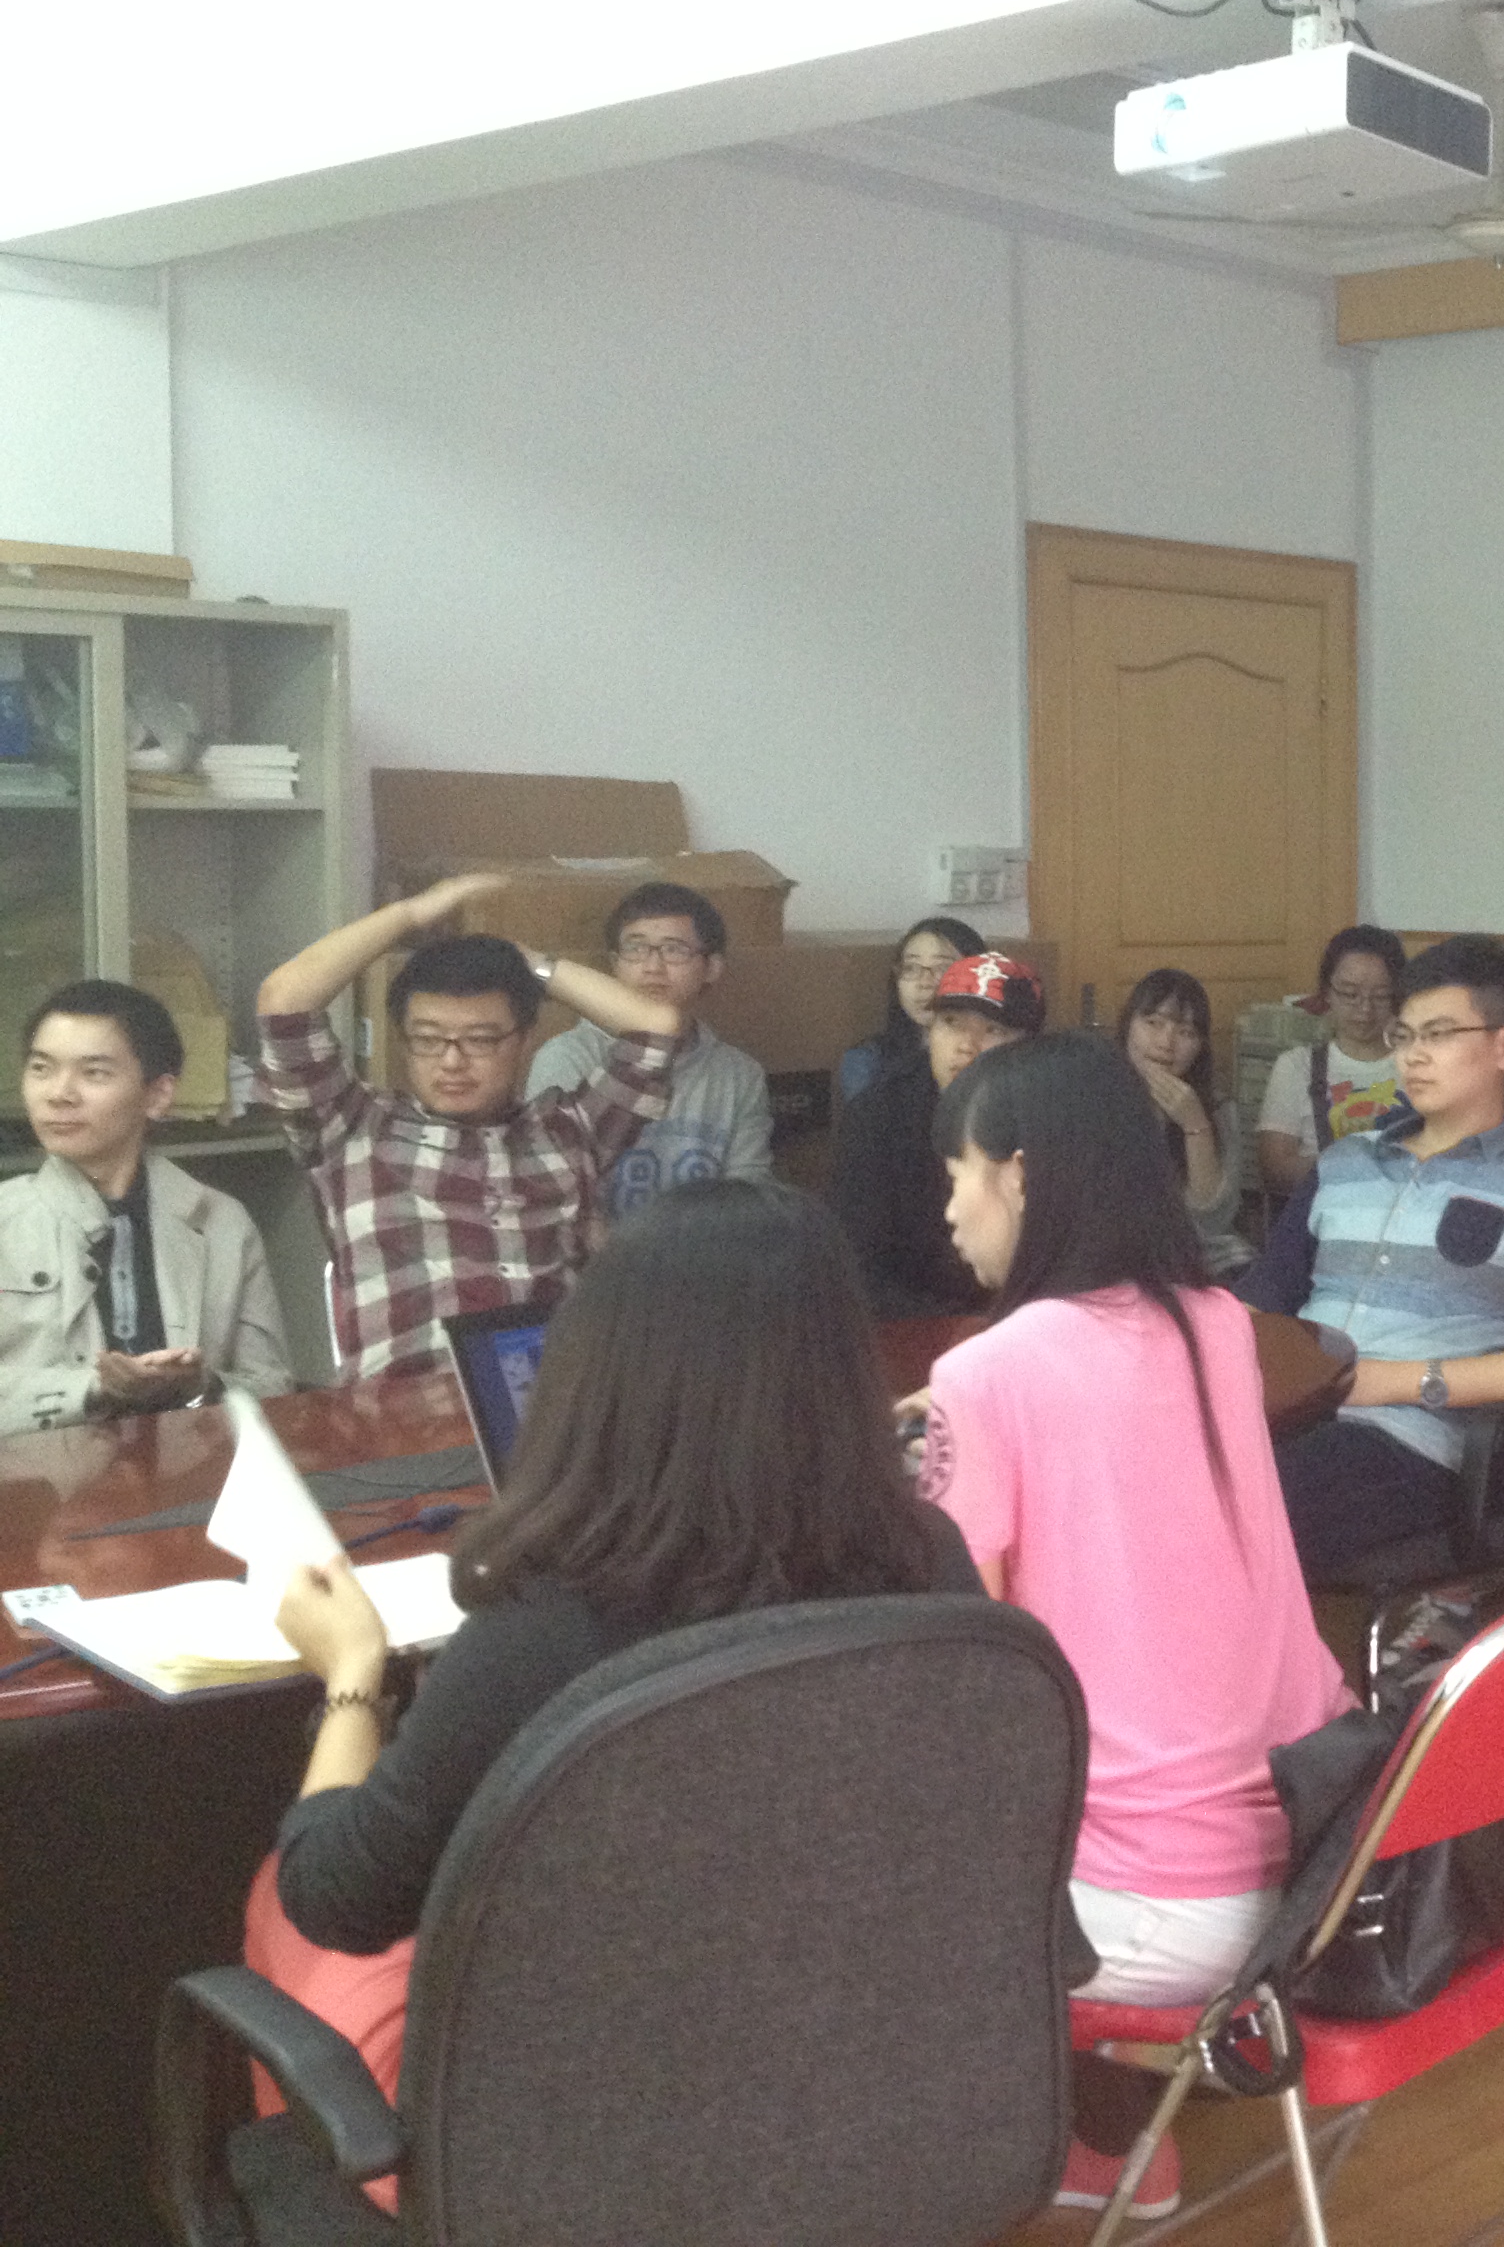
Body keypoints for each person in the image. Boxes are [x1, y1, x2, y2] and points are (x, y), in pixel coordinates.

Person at [241, 1181, 983, 2206]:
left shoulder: (546, 1628)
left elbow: (337, 1900)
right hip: (870, 2104)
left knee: (280, 1888)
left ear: (600, 1372)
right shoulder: (929, 1561)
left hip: (570, 2164)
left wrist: (354, 1676)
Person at [924, 1034, 1351, 2219]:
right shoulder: (1217, 1321)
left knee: (842, 1858)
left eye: (957, 1174)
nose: (948, 1209)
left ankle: (1062, 2146)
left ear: (1019, 1174)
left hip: (1159, 1910)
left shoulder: (988, 1373)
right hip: (1318, 1863)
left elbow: (962, 1658)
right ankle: (1114, 2131)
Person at [1246, 935, 1504, 1582]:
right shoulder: (1343, 1163)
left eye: (1437, 1034)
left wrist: (1394, 1380)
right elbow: (1252, 1307)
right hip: (1283, 1414)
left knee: (1223, 1521)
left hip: (1405, 1442)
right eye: (1404, 1035)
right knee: (1129, 1480)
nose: (1412, 1055)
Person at [254, 878, 685, 1384]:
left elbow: (657, 1028)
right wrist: (411, 916)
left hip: (548, 1402)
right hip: (408, 1408)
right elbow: (284, 1000)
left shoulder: (570, 1131)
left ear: (524, 1039)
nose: (452, 1062)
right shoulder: (351, 1129)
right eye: (428, 1039)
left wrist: (526, 963)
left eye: (480, 1040)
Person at [0, 979, 291, 1427]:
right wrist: (91, 1389)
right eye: (41, 1068)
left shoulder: (222, 1223)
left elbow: (275, 1390)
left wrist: (202, 1385)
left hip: (190, 1464)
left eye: (94, 1073)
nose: (59, 1093)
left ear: (157, 1095)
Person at [524, 883, 772, 1218]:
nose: (652, 966)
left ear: (712, 967)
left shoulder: (739, 1075)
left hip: (706, 1246)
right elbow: (550, 1192)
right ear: (614, 963)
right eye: (636, 948)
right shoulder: (567, 1056)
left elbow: (749, 1197)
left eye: (674, 949)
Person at [830, 951, 1042, 1318]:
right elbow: (855, 1264)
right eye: (951, 1023)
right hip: (909, 1321)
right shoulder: (877, 1114)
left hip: (1026, 1322)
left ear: (1029, 1047)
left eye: (993, 1029)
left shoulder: (1051, 1117)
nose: (966, 1045)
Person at [1255, 925, 1409, 1199]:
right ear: (1327, 992)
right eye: (1349, 994)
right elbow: (1276, 1172)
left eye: (1381, 996)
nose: (1365, 1009)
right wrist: (1360, 1167)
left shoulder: (1420, 1064)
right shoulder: (1297, 1066)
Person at [1116, 966, 1249, 1275]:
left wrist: (1194, 1123)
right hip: (1117, 1263)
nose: (1166, 1043)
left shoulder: (1219, 1110)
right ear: (1127, 1027)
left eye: (1186, 1032)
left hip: (1200, 1260)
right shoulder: (1089, 1099)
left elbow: (1214, 1222)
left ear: (1201, 1046)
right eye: (1153, 1023)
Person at [835, 915, 988, 1107]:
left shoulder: (995, 1053)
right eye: (911, 968)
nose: (924, 982)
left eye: (943, 968)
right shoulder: (866, 1062)